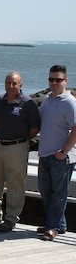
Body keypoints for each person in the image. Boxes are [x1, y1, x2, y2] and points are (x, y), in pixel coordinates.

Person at [0, 72, 40, 232]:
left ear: (20, 84)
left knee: (15, 184)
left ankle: (11, 218)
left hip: (17, 146)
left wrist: (20, 141)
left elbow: (34, 128)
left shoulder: (28, 104)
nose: (11, 86)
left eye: (14, 83)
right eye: (8, 83)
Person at [37, 65, 76, 240]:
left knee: (58, 194)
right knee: (46, 191)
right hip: (45, 154)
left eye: (58, 80)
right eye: (51, 79)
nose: (54, 83)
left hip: (61, 157)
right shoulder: (47, 100)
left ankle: (51, 227)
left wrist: (64, 151)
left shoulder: (70, 102)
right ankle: (59, 225)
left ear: (65, 81)